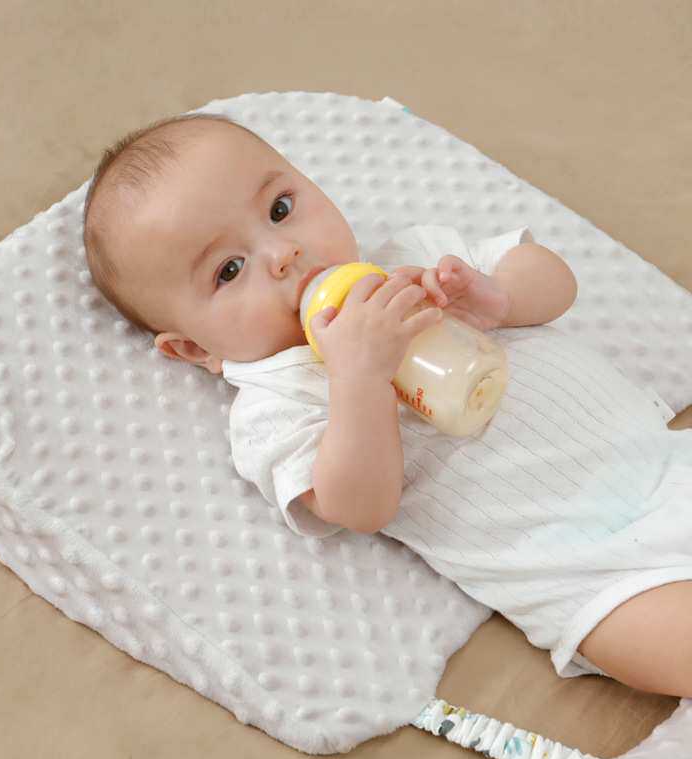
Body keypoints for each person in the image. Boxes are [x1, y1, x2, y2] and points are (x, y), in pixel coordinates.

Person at [83, 111, 692, 698]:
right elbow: (358, 506)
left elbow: (557, 284)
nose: (284, 253)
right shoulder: (274, 408)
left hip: (665, 460)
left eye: (280, 209)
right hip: (587, 571)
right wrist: (359, 379)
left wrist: (498, 297)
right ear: (195, 349)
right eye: (230, 269)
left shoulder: (415, 261)